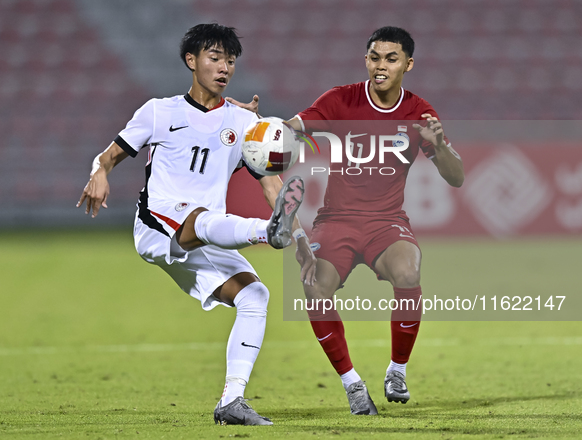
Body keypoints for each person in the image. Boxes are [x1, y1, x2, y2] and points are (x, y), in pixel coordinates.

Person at [77, 23, 315, 426]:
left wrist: (302, 241)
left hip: (207, 235)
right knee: (204, 219)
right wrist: (98, 172)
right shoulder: (159, 111)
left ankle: (232, 402)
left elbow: (274, 187)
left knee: (255, 296)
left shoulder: (243, 124)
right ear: (192, 61)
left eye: (231, 61)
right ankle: (262, 233)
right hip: (159, 225)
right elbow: (110, 155)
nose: (224, 68)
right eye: (215, 58)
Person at [228, 26, 464, 415]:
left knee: (408, 270)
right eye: (374, 57)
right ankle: (352, 384)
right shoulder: (340, 101)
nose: (380, 66)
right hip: (336, 221)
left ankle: (397, 370)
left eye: (391, 58)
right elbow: (292, 129)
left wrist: (439, 147)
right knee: (314, 284)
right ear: (366, 60)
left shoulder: (419, 113)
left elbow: (455, 177)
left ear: (408, 63)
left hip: (387, 222)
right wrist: (261, 124)